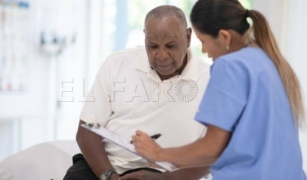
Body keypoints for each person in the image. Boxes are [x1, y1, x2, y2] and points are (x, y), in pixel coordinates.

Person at [131, 0, 307, 180]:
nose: (204, 50)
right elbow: (226, 149)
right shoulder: (266, 61)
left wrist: (158, 153)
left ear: (224, 37)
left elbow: (212, 147)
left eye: (204, 41)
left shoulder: (230, 66)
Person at [63, 5, 212, 180]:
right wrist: (109, 176)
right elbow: (86, 131)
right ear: (145, 38)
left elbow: (213, 155)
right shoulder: (116, 64)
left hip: (167, 175)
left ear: (187, 38)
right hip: (105, 167)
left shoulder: (211, 80)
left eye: (171, 46)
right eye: (153, 46)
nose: (162, 55)